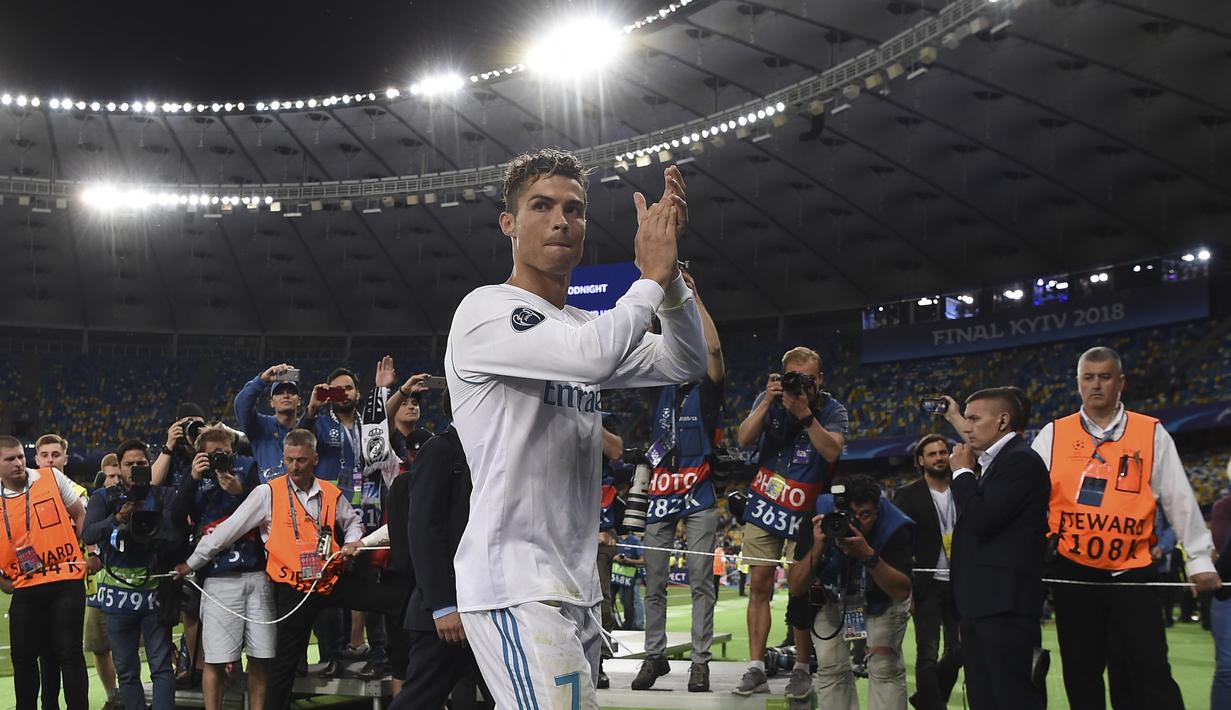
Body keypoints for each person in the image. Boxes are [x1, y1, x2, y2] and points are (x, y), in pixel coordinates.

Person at [445, 148, 706, 709]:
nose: (562, 219)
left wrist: (674, 284)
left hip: (576, 587)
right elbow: (589, 359)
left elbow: (687, 362)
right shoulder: (485, 311)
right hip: (515, 584)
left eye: (575, 208)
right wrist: (649, 280)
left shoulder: (584, 324)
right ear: (508, 224)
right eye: (542, 206)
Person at [1032, 346, 1220, 710]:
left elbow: (1178, 498)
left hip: (1133, 571)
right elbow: (1027, 499)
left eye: (1105, 377)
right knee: (1081, 671)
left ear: (1121, 383)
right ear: (1078, 384)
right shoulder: (1052, 435)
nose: (1096, 385)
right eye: (1088, 377)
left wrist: (1198, 559)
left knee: (1149, 668)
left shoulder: (1151, 433)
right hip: (1074, 572)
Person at [174, 428, 404, 710]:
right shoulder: (266, 493)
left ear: (315, 459)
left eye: (302, 460)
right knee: (282, 666)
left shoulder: (330, 493)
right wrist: (192, 563)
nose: (294, 466)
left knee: (396, 602)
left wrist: (354, 541)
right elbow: (225, 533)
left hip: (330, 580)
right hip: (293, 589)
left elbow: (353, 521)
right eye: (290, 459)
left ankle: (406, 667)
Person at [733, 346, 849, 699]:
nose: (803, 385)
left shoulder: (832, 410)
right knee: (760, 586)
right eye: (795, 378)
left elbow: (832, 452)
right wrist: (768, 402)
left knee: (800, 591)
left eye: (809, 379)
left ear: (821, 379)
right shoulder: (769, 399)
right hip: (765, 504)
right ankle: (755, 666)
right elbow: (742, 438)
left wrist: (804, 415)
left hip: (805, 510)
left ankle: (801, 665)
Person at [632, 270, 725, 693]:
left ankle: (700, 662)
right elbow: (646, 337)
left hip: (699, 492)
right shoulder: (659, 384)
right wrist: (660, 287)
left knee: (701, 577)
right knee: (653, 581)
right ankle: (655, 657)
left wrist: (695, 296)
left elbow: (715, 348)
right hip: (662, 492)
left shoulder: (706, 390)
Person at [949, 388, 1049, 710]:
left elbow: (983, 520)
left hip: (1005, 606)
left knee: (1011, 697)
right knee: (985, 698)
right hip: (985, 604)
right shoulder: (996, 463)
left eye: (974, 418)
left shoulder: (1020, 460)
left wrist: (962, 473)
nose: (966, 427)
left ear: (1003, 420)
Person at [388, 416, 491, 710]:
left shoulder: (489, 450)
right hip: (449, 613)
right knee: (418, 700)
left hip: (487, 605)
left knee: (509, 699)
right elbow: (423, 530)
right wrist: (443, 605)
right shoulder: (441, 450)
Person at [788, 474, 913, 709]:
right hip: (832, 596)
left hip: (881, 598)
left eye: (865, 515)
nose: (855, 523)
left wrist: (869, 556)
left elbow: (902, 591)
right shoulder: (820, 513)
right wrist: (817, 546)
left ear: (878, 509)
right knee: (831, 667)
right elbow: (796, 587)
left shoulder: (894, 524)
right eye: (849, 515)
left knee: (884, 667)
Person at [169, 424, 271, 710]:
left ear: (232, 449)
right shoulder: (194, 475)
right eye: (213, 454)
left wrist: (240, 490)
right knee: (214, 657)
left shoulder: (248, 467)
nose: (220, 458)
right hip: (216, 575)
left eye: (225, 452)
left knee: (260, 655)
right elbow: (177, 517)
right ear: (201, 454)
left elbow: (265, 504)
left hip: (255, 568)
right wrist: (191, 477)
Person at [83, 440, 184, 710]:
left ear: (150, 465)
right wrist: (118, 519)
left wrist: (157, 536)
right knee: (126, 672)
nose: (135, 469)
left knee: (161, 667)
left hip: (154, 593)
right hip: (118, 597)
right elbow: (88, 534)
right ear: (119, 467)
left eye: (141, 463)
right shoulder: (103, 498)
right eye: (129, 464)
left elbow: (178, 538)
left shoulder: (164, 496)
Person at [0, 435, 90, 710]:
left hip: (65, 578)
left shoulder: (50, 478)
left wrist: (81, 549)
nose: (18, 463)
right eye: (10, 459)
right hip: (26, 584)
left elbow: (81, 514)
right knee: (23, 657)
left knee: (69, 653)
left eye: (20, 456)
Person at [892, 434, 961, 710]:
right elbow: (899, 545)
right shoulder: (908, 495)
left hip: (961, 582)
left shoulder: (964, 487)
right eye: (932, 454)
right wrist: (907, 588)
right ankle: (934, 706)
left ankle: (925, 699)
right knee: (928, 653)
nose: (939, 458)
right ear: (920, 461)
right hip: (926, 584)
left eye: (943, 452)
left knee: (960, 650)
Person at [85, 454, 121, 709]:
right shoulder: (94, 506)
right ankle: (112, 696)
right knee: (99, 646)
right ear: (102, 478)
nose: (116, 481)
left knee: (131, 644)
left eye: (119, 476)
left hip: (128, 586)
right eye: (110, 476)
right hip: (98, 587)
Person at [234, 363, 303, 481]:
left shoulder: (308, 428)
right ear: (271, 402)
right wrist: (262, 380)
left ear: (299, 401)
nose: (285, 395)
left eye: (291, 392)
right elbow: (241, 405)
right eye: (279, 393)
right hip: (271, 496)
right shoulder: (259, 426)